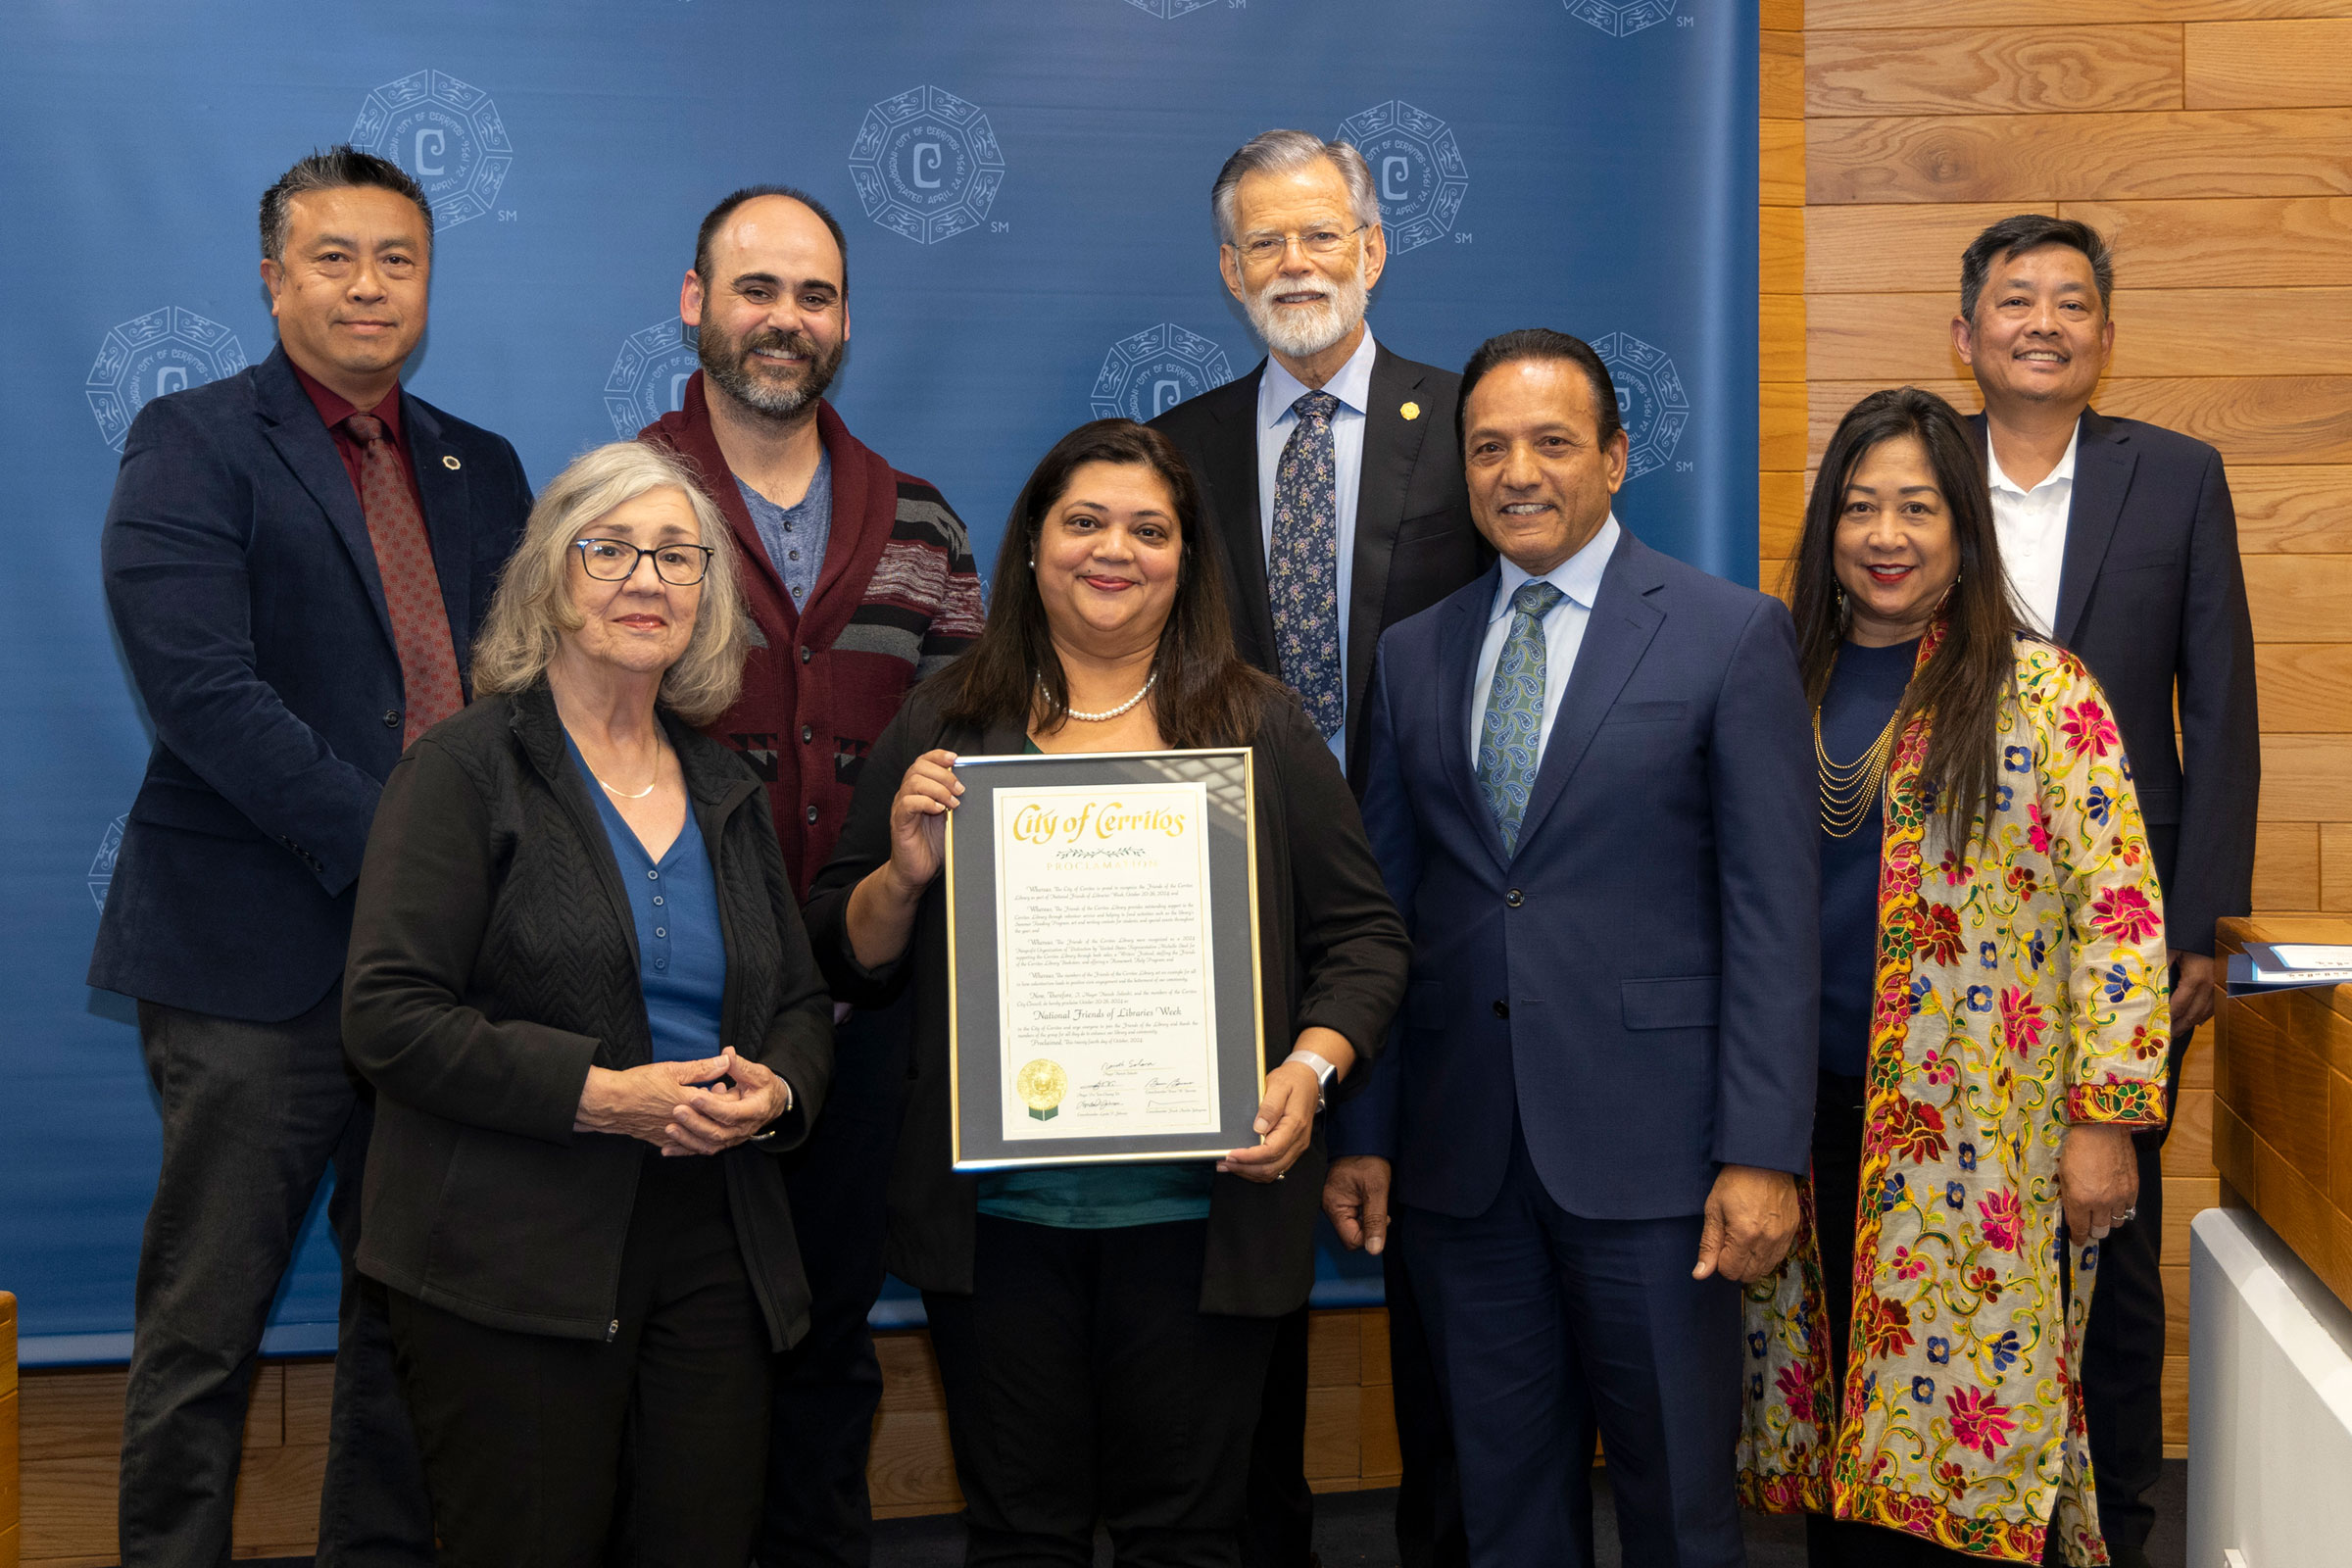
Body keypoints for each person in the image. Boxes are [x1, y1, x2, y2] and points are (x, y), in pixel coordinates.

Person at [804, 418, 1409, 1568]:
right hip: (1000, 1229)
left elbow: (1367, 941)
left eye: (1148, 528)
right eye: (1083, 521)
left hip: (1200, 1222)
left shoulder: (1257, 728)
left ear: (1187, 558)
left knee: (1186, 1536)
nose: (1112, 550)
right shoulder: (948, 725)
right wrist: (903, 873)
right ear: (1033, 545)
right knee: (1020, 1534)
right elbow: (843, 945)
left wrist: (1309, 1064)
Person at [88, 146, 532, 1568]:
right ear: (274, 278)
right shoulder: (192, 439)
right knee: (204, 1332)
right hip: (250, 965)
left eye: (396, 260)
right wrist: (410, 854)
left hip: (442, 978)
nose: (366, 285)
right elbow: (204, 695)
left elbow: (518, 694)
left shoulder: (483, 465)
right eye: (332, 257)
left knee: (408, 1325)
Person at [1323, 329, 1820, 1567]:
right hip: (1461, 1163)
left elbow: (1773, 913)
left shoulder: (1726, 634)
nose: (1517, 471)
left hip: (1660, 1168)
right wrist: (1369, 1132)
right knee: (1504, 1509)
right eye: (1487, 446)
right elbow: (1386, 909)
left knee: (1681, 1508)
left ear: (1615, 457)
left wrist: (1762, 1151)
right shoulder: (1415, 650)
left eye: (1551, 442)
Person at [340, 440, 834, 1566]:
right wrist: (602, 1096)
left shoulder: (727, 787)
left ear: (708, 595)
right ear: (550, 580)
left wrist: (777, 1091)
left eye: (676, 555)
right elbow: (387, 1015)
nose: (646, 579)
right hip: (507, 1254)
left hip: (716, 1249)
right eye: (608, 549)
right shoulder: (465, 770)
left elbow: (800, 1004)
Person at [1739, 385, 2172, 1566]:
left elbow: (2122, 919)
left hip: (1986, 1144)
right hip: (1806, 1124)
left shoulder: (2047, 693)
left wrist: (2106, 1119)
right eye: (1863, 507)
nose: (1888, 535)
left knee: (1980, 1450)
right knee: (1840, 1437)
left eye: (1919, 507)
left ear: (1963, 529)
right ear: (1829, 527)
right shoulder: (1773, 682)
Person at [1150, 127, 1487, 1568]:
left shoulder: (1475, 426)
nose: (1297, 264)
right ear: (1232, 272)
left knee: (1462, 1319)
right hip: (1234, 933)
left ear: (1374, 249)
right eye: (1265, 244)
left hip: (1452, 923)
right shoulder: (1177, 453)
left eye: (1321, 235)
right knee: (1242, 1322)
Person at [636, 183, 986, 1568]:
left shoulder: (926, 524)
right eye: (757, 289)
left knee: (829, 1354)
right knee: (672, 1366)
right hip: (666, 1034)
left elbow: (967, 771)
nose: (786, 321)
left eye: (816, 296)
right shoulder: (624, 504)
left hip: (857, 1032)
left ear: (846, 321)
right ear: (695, 301)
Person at [1951, 215, 2259, 1567]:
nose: (2042, 323)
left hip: (2126, 942)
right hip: (1944, 930)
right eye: (2014, 301)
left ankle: (2118, 1521)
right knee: (1957, 1223)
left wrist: (2200, 931)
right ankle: (1966, 1506)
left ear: (2105, 337)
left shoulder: (2179, 476)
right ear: (1963, 333)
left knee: (2109, 1234)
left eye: (2071, 303)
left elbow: (2227, 718)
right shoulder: (1915, 472)